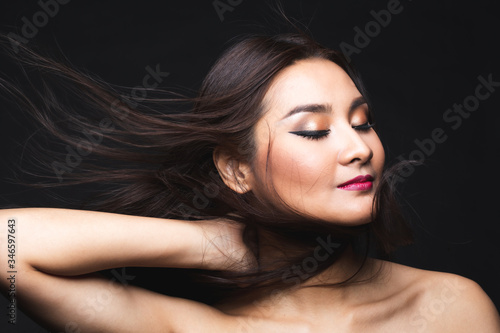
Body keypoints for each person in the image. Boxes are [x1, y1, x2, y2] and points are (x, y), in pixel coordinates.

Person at [0, 32, 499, 332]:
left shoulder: (450, 309)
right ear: (236, 170)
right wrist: (213, 244)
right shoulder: (197, 325)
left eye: (363, 121)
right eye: (314, 130)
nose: (360, 148)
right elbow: (8, 247)